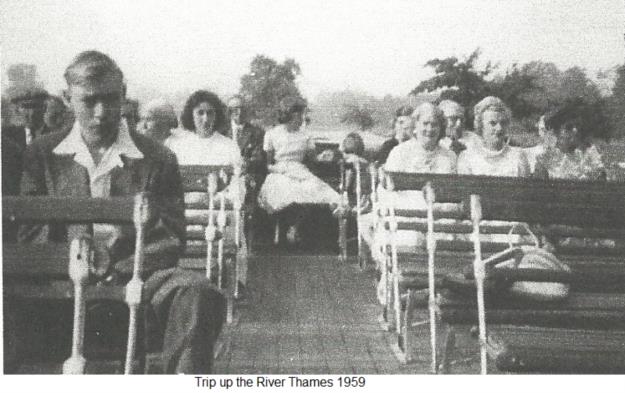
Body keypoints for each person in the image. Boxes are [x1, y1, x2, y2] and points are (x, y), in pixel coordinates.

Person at [6, 50, 225, 374]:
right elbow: (30, 233)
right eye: (89, 100)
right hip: (59, 286)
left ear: (123, 94)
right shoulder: (42, 155)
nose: (101, 112)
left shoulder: (157, 157)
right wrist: (78, 257)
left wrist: (119, 262)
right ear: (67, 98)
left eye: (111, 99)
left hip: (141, 282)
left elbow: (172, 239)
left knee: (197, 293)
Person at [371, 103, 457, 304]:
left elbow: (453, 192)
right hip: (406, 209)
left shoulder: (449, 156)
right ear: (416, 126)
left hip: (438, 211)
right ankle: (398, 286)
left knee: (446, 233)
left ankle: (434, 289)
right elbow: (386, 190)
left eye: (435, 124)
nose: (430, 129)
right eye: (425, 123)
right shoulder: (400, 152)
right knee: (409, 235)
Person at [257, 96, 341, 243]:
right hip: (279, 171)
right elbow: (268, 164)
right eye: (301, 114)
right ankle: (284, 227)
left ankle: (295, 226)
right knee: (286, 191)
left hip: (300, 171)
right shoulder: (272, 134)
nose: (303, 117)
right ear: (291, 114)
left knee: (313, 190)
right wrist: (281, 171)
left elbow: (314, 159)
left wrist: (327, 156)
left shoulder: (306, 135)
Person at [458, 96, 530, 177]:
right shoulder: (467, 157)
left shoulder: (518, 156)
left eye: (503, 123)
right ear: (481, 126)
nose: (499, 128)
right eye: (493, 123)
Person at [534, 100, 606, 180]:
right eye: (569, 128)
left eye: (578, 126)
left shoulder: (589, 154)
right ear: (556, 132)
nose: (575, 131)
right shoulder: (546, 159)